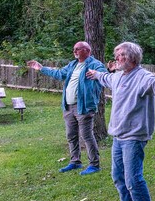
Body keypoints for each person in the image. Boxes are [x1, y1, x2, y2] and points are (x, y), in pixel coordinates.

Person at [86, 42, 155, 201]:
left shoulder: (143, 77)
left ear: (132, 58)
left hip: (134, 136)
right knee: (118, 176)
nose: (117, 58)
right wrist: (95, 74)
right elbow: (105, 78)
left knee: (133, 179)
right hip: (118, 135)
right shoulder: (118, 76)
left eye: (120, 55)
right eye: (116, 55)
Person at [27, 41, 106, 175]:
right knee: (71, 135)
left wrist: (100, 74)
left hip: (84, 107)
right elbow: (59, 74)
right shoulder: (73, 64)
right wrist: (41, 68)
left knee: (86, 136)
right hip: (68, 106)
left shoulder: (96, 65)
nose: (74, 51)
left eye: (77, 49)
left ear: (87, 50)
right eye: (74, 49)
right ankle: (75, 162)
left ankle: (94, 164)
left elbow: (105, 77)